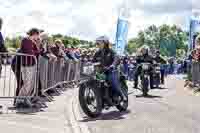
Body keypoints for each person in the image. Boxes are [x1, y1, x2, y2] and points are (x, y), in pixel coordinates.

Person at [92, 36, 127, 103]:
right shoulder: (97, 53)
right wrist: (89, 64)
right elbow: (93, 61)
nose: (97, 44)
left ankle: (122, 95)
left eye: (99, 42)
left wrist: (113, 65)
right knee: (95, 80)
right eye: (97, 43)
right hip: (101, 72)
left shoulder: (111, 51)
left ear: (105, 43)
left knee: (112, 80)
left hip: (112, 71)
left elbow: (116, 58)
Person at [16, 28, 42, 107]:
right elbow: (30, 52)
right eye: (37, 35)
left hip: (32, 64)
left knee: (31, 84)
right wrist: (37, 51)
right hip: (26, 65)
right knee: (27, 83)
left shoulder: (32, 42)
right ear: (34, 34)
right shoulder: (25, 40)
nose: (38, 37)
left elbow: (37, 51)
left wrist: (38, 47)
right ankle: (19, 100)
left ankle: (26, 99)